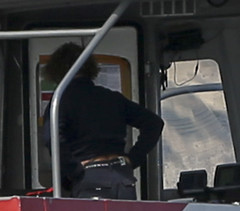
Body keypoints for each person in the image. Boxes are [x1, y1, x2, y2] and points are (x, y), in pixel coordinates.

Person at [40, 42, 164, 199]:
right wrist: (133, 159)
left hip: (89, 175)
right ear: (91, 68)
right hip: (121, 175)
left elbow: (52, 138)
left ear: (56, 71)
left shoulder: (60, 102)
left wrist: (73, 170)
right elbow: (154, 123)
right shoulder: (112, 97)